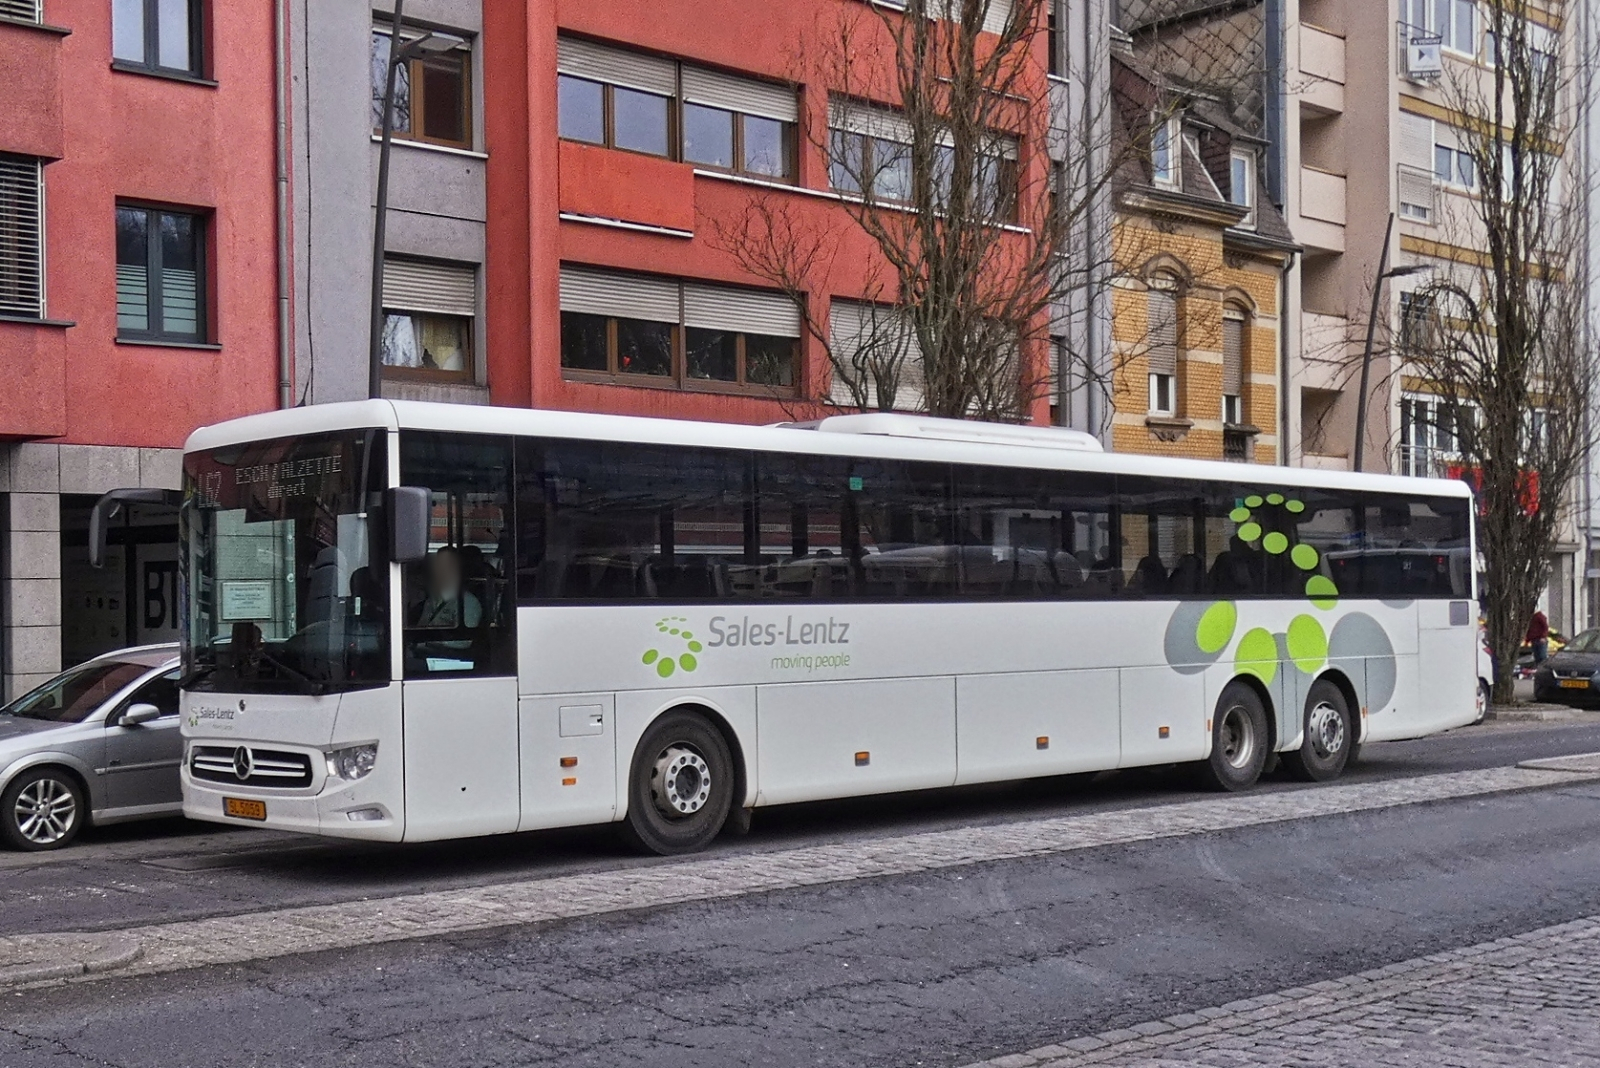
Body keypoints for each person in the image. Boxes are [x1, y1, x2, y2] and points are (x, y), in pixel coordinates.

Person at [412, 547, 482, 629]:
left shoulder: (468, 602)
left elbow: (464, 639)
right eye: (438, 565)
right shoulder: (432, 600)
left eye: (446, 565)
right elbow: (420, 629)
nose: (439, 570)